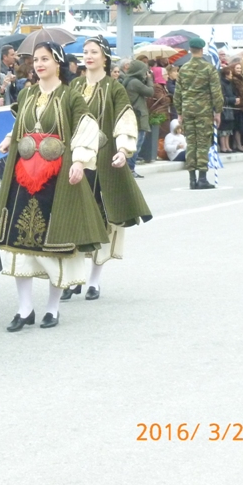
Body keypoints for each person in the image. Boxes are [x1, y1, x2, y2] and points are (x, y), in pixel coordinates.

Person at [0, 42, 108, 330]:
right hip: (23, 176)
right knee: (20, 243)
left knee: (52, 243)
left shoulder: (70, 97)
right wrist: (10, 138)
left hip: (55, 178)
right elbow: (23, 122)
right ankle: (24, 309)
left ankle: (52, 307)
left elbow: (86, 128)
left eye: (45, 59)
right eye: (36, 60)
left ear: (58, 62)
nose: (39, 64)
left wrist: (80, 162)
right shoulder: (27, 93)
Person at [64, 37, 151, 301]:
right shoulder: (74, 86)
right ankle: (73, 278)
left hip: (104, 161)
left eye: (94, 52)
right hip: (77, 161)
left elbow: (125, 118)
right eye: (85, 52)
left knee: (103, 219)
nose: (88, 56)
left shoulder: (114, 87)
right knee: (76, 218)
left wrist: (123, 150)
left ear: (105, 57)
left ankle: (93, 280)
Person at [173, 38, 222, 190]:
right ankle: (202, 178)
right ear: (202, 50)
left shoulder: (183, 69)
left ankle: (191, 179)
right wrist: (218, 111)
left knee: (191, 143)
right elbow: (216, 92)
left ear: (190, 50)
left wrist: (180, 112)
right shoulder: (208, 68)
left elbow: (178, 93)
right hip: (203, 110)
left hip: (187, 111)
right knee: (202, 144)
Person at [120, 59, 153, 178]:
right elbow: (150, 92)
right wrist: (149, 79)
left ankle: (129, 169)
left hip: (133, 115)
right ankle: (131, 169)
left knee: (133, 144)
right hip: (138, 116)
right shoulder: (135, 82)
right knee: (136, 145)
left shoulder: (128, 80)